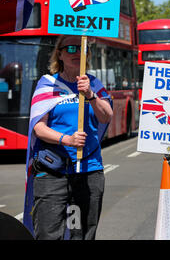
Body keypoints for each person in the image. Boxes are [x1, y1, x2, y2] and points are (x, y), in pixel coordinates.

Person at [23, 35, 113, 240]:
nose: (76, 53)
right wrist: (67, 139)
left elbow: (106, 116)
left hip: (89, 170)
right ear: (59, 54)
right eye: (70, 48)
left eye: (81, 48)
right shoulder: (47, 84)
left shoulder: (94, 83)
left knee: (82, 233)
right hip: (52, 171)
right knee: (48, 233)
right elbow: (39, 128)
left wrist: (90, 95)